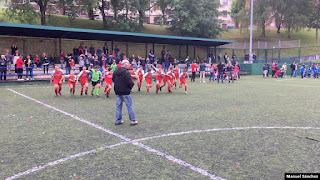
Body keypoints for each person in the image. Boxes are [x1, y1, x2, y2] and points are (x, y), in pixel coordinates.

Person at [112, 60, 137, 126]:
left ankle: (118, 120)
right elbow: (130, 82)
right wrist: (129, 87)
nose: (129, 65)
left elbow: (113, 79)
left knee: (118, 106)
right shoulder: (126, 72)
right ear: (125, 65)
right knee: (129, 106)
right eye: (128, 64)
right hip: (125, 92)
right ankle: (133, 120)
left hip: (117, 91)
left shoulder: (115, 71)